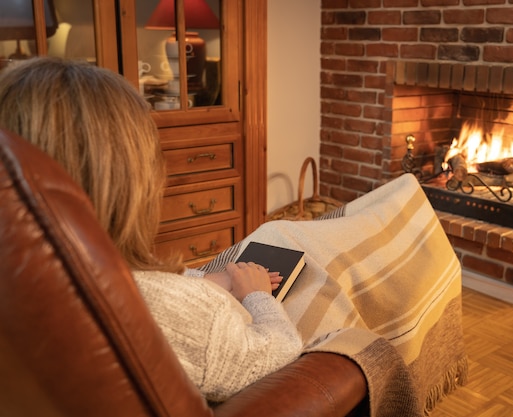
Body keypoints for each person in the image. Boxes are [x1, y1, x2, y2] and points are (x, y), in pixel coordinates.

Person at [0, 57, 302, 401]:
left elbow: (138, 279)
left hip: (211, 282)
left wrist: (203, 279)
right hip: (259, 305)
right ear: (130, 177)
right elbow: (282, 347)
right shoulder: (190, 316)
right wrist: (257, 294)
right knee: (304, 232)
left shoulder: (20, 275)